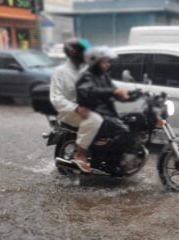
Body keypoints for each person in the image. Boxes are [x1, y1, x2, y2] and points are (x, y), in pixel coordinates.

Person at [50, 38, 103, 173]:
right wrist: (76, 108)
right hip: (68, 111)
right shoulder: (60, 72)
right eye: (85, 52)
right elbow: (56, 98)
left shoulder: (86, 70)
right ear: (73, 53)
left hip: (86, 108)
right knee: (95, 120)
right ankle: (80, 154)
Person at [75, 46, 131, 158]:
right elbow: (90, 92)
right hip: (93, 111)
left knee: (131, 122)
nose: (108, 65)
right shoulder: (87, 76)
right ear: (95, 63)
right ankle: (111, 159)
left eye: (108, 62)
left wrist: (131, 95)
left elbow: (114, 90)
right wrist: (113, 92)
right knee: (123, 130)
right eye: (104, 62)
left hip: (106, 111)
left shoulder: (103, 76)